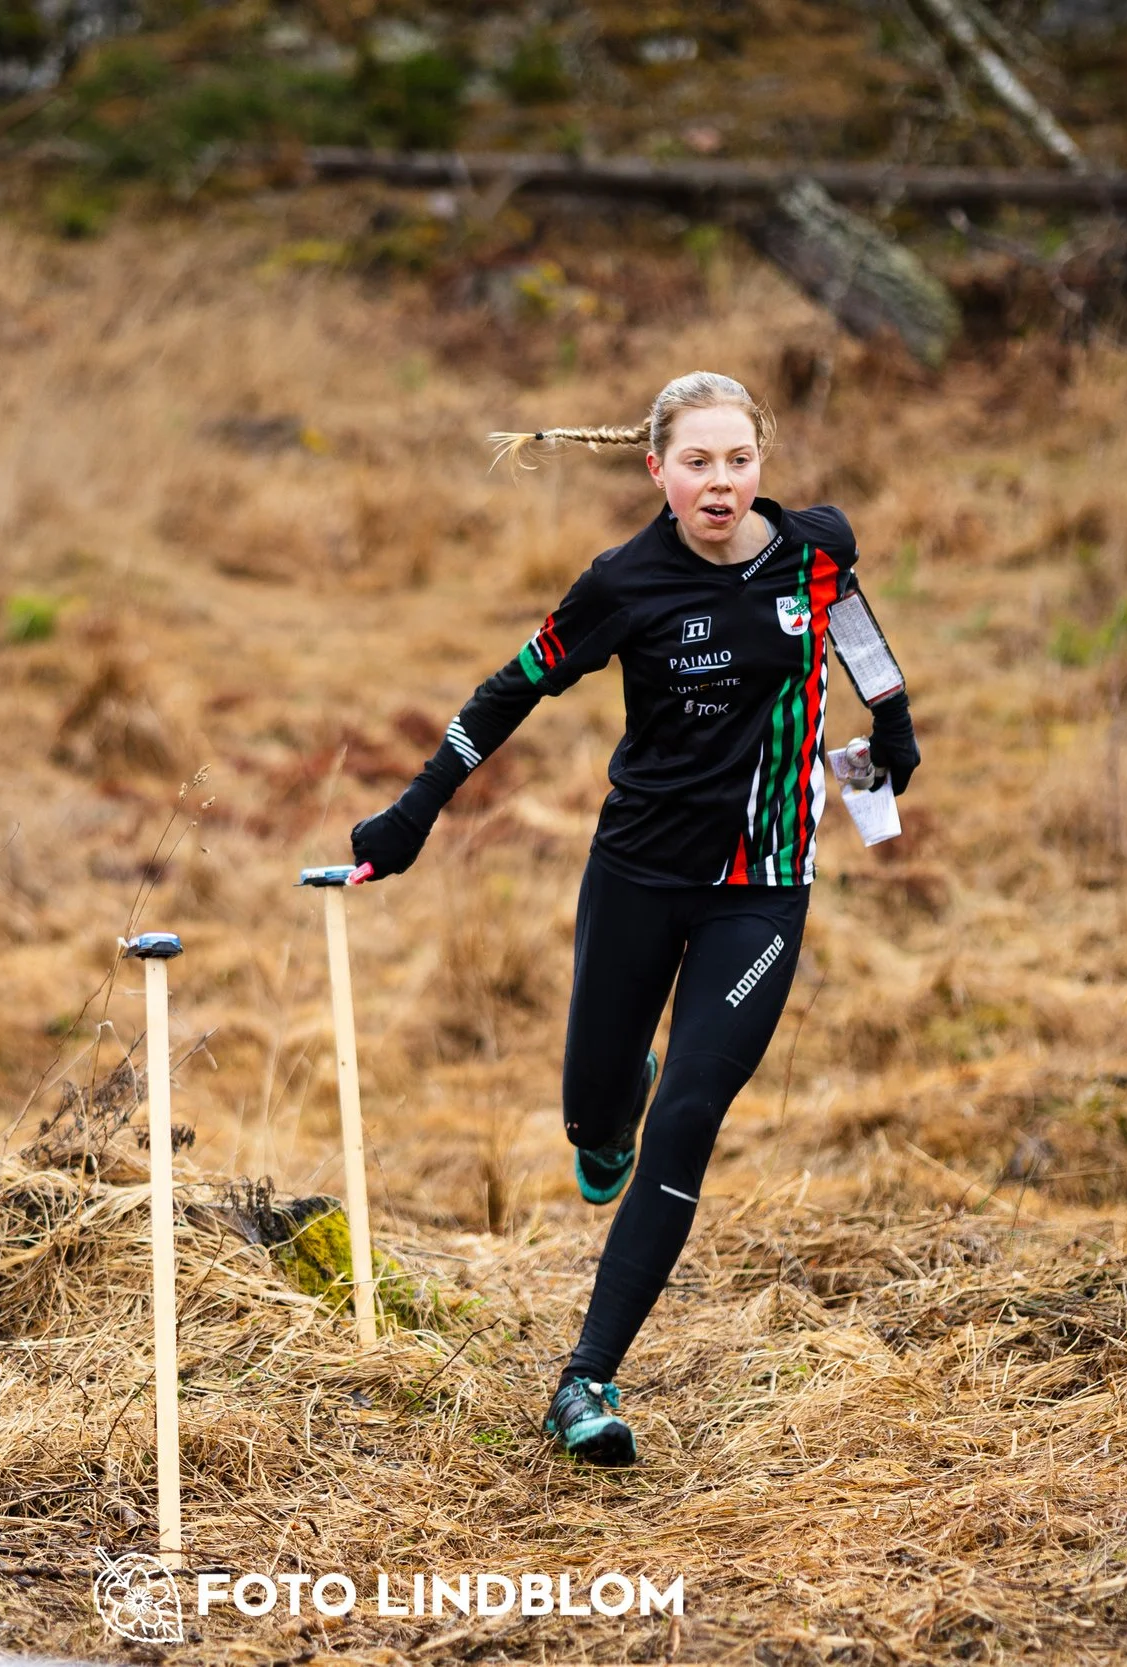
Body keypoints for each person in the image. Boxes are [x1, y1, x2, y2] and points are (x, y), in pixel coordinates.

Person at [348, 372, 920, 1467]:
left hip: (763, 888)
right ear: (655, 470)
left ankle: (586, 1377)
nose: (720, 483)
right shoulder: (623, 584)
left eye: (737, 460)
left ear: (761, 461)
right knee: (595, 1115)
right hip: (637, 877)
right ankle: (608, 1115)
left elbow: (846, 610)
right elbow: (507, 688)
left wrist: (889, 714)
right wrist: (414, 812)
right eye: (696, 462)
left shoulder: (814, 546)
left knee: (689, 1112)